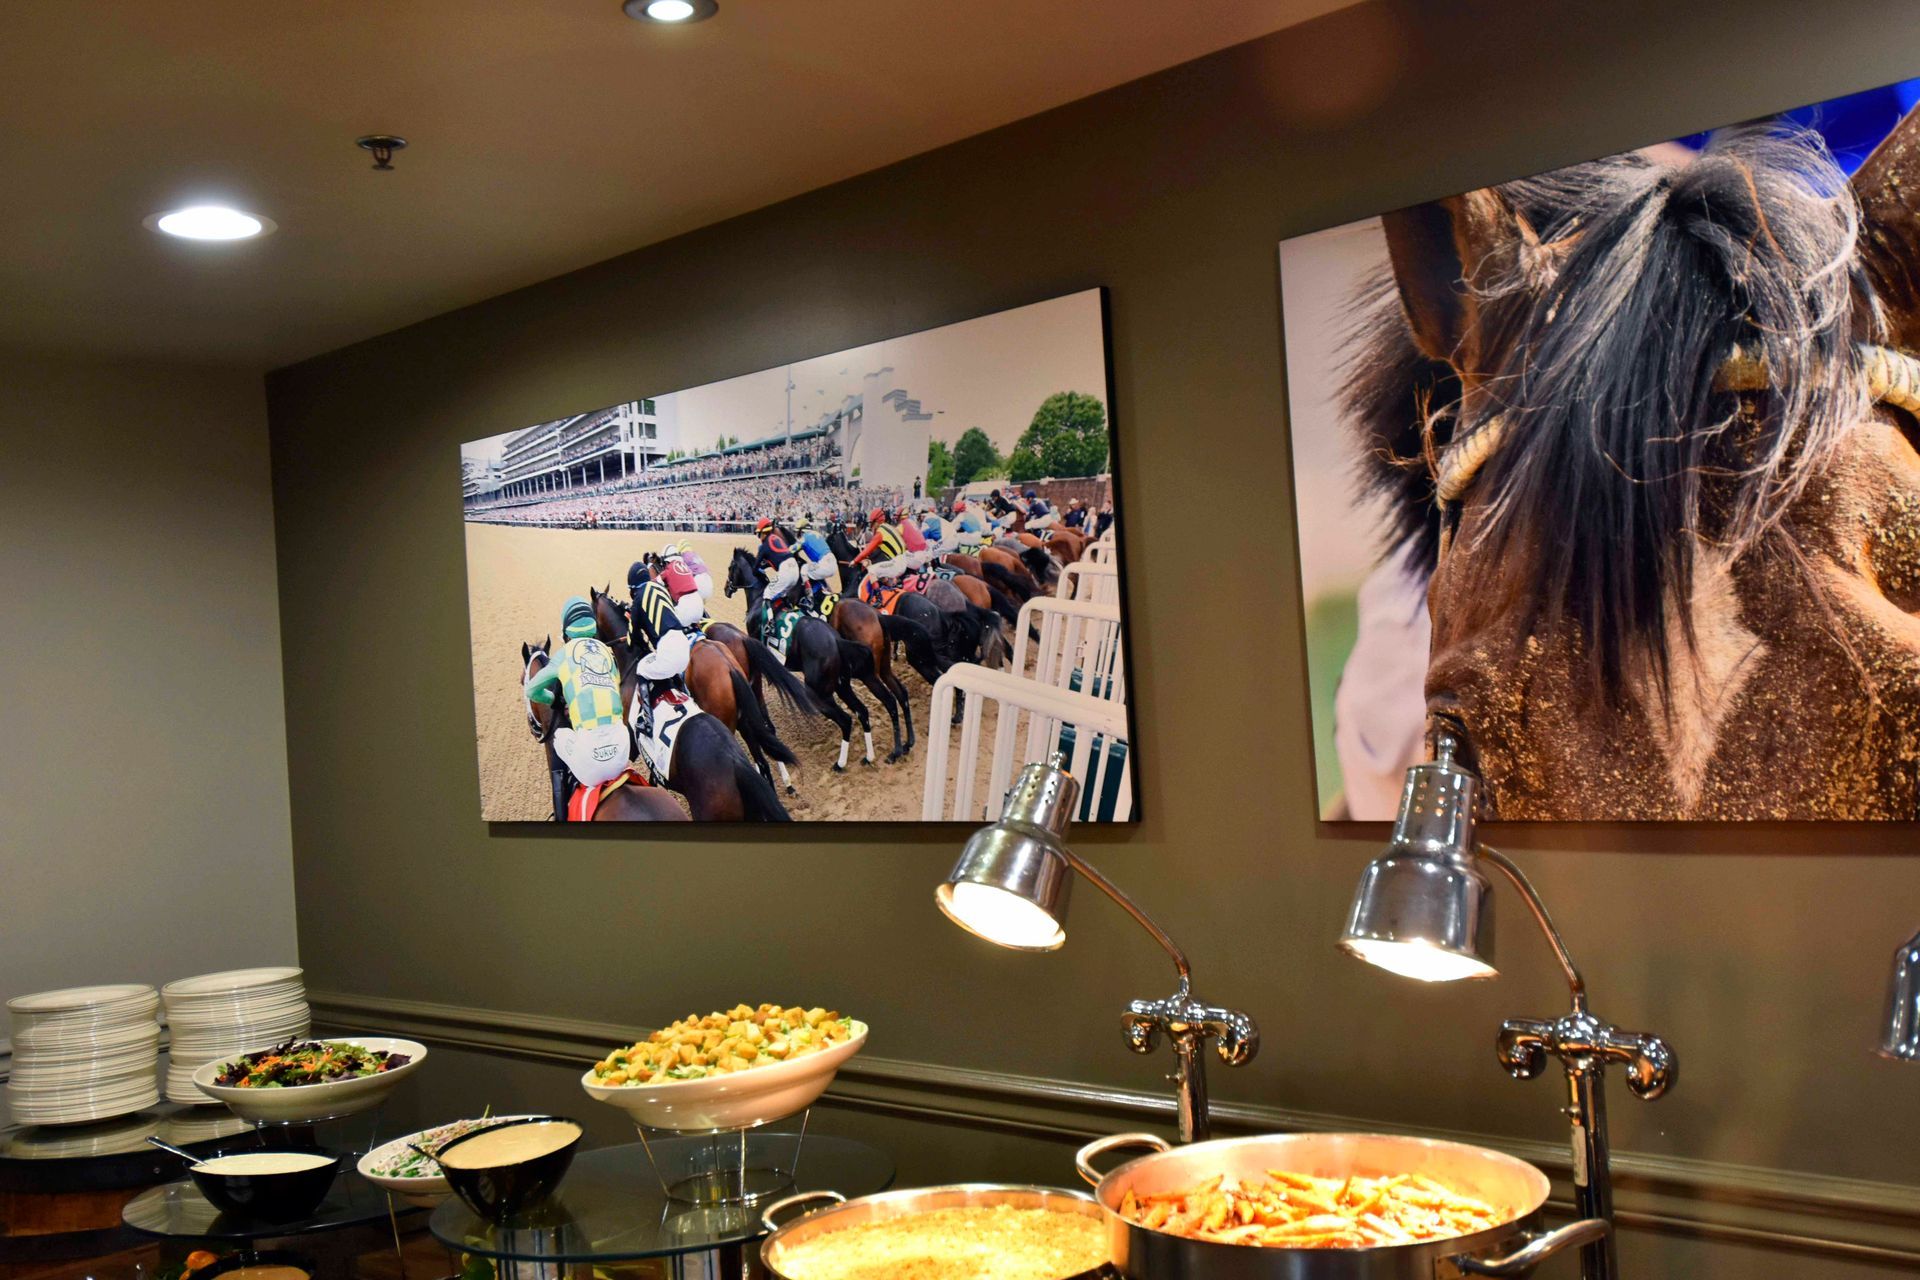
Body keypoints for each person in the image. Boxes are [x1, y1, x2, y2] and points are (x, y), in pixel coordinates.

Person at [524, 596, 634, 791]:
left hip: (592, 762)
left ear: (566, 629)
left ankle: (561, 812)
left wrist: (555, 701)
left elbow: (532, 690)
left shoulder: (563, 655)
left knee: (558, 738)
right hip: (622, 752)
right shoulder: (607, 652)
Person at [625, 562, 699, 740]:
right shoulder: (660, 589)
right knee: (673, 670)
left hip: (668, 647)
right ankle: (688, 699)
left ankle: (648, 722)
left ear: (633, 587)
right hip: (683, 644)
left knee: (642, 669)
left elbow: (631, 639)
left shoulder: (638, 600)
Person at [848, 507, 911, 600]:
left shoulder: (880, 533)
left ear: (876, 521)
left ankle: (878, 598)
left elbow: (867, 550)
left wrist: (855, 561)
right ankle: (890, 587)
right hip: (903, 560)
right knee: (881, 571)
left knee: (872, 570)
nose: (871, 526)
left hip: (897, 563)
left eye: (872, 523)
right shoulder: (889, 527)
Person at [755, 517, 806, 614]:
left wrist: (759, 572)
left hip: (785, 570)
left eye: (759, 534)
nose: (758, 536)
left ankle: (769, 623)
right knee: (783, 593)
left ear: (763, 532)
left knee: (767, 593)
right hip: (795, 569)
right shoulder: (778, 539)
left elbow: (755, 568)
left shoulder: (764, 546)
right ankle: (792, 608)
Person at [793, 518, 839, 605]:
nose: (796, 534)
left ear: (801, 530)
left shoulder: (804, 537)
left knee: (804, 569)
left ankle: (809, 599)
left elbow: (792, 550)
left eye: (797, 531)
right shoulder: (817, 533)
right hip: (831, 560)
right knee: (814, 567)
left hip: (825, 562)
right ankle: (828, 590)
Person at [898, 505, 932, 572]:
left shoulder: (901, 526)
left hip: (917, 556)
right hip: (926, 552)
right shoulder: (912, 522)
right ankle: (930, 572)